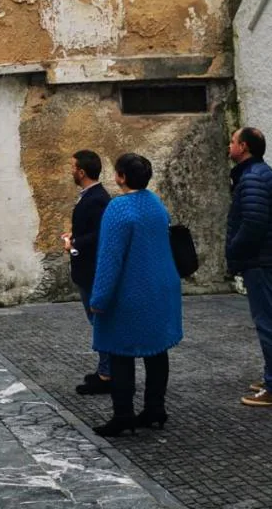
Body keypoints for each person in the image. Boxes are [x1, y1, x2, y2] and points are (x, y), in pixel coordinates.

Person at [88, 153, 183, 437]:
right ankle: (155, 409)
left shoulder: (119, 209)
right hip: (161, 288)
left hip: (131, 293)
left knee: (121, 353)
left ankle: (123, 415)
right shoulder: (155, 203)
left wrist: (99, 299)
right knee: (156, 352)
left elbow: (110, 259)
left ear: (122, 177)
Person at [227, 126, 272, 407]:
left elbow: (253, 223)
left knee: (268, 324)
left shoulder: (253, 178)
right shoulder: (258, 175)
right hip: (265, 259)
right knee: (268, 321)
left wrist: (233, 249)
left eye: (232, 141)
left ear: (243, 147)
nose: (229, 146)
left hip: (261, 262)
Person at [61, 150, 111, 395]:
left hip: (92, 270)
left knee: (100, 321)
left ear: (81, 172)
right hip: (86, 270)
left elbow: (100, 234)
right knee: (97, 321)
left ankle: (107, 374)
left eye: (72, 167)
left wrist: (75, 243)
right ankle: (105, 370)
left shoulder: (97, 198)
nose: (70, 171)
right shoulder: (89, 196)